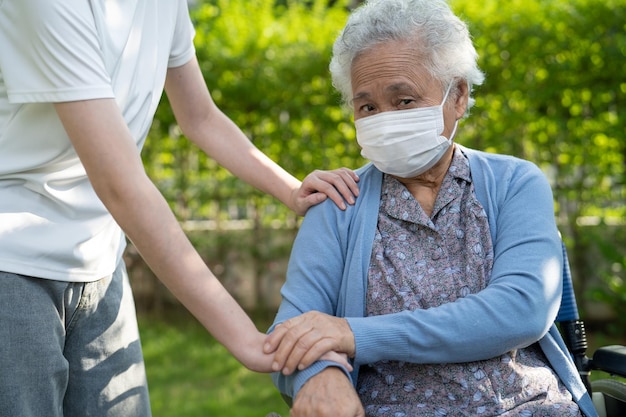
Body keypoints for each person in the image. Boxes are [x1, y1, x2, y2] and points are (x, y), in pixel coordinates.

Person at [0, 1, 359, 416]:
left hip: (98, 259)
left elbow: (200, 117)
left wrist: (292, 190)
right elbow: (122, 185)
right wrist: (247, 340)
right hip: (13, 260)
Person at [263, 0, 598, 416]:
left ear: (457, 96)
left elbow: (522, 307)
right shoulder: (339, 202)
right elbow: (292, 329)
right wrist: (320, 374)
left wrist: (354, 334)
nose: (384, 118)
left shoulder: (514, 182)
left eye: (403, 100)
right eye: (367, 106)